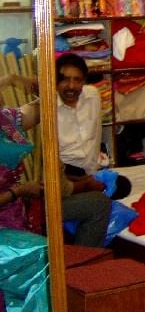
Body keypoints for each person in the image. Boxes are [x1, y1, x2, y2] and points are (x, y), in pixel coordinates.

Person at [0, 75, 111, 247]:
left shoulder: (6, 122)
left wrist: (15, 79)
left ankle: (81, 265)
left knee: (98, 202)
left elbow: (43, 109)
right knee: (41, 251)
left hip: (22, 208)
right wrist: (19, 191)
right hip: (7, 222)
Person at [55, 53, 103, 176]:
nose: (71, 86)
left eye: (77, 80)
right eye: (65, 79)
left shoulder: (92, 95)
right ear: (55, 80)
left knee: (123, 186)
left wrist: (93, 174)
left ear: (84, 81)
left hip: (90, 169)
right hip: (63, 173)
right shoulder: (48, 107)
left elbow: (96, 136)